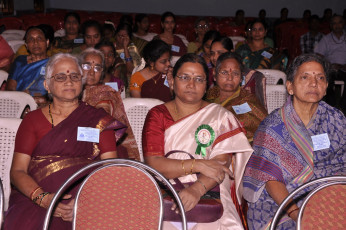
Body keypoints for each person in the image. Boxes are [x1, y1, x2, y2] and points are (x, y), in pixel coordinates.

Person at [4, 53, 127, 229]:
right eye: (60, 77)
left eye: (75, 76)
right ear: (47, 85)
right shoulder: (32, 120)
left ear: (82, 83)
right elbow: (17, 171)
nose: (69, 81)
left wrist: (84, 201)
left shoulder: (99, 120)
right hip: (36, 199)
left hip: (90, 198)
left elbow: (110, 169)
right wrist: (44, 199)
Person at [142, 53, 253, 229]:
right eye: (185, 77)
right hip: (166, 185)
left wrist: (197, 189)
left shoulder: (220, 116)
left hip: (210, 187)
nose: (191, 85)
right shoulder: (158, 115)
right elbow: (154, 163)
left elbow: (220, 165)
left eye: (199, 79)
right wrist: (198, 164)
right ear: (172, 80)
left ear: (206, 86)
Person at [243, 53, 346, 230]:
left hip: (327, 195)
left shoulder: (336, 120)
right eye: (305, 77)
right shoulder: (272, 127)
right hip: (280, 203)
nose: (314, 83)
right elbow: (271, 180)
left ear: (326, 87)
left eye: (320, 78)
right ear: (290, 87)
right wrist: (295, 212)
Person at [80, 48, 140, 161]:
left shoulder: (105, 94)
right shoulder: (71, 93)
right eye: (87, 66)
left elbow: (99, 131)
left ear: (102, 72)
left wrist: (72, 133)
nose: (92, 72)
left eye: (97, 68)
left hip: (105, 152)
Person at [206, 52, 268, 143]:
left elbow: (266, 129)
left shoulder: (249, 102)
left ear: (241, 78)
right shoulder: (208, 95)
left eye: (235, 73)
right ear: (215, 75)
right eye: (224, 72)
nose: (230, 78)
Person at [210, 36, 267, 108]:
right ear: (214, 75)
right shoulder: (208, 75)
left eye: (220, 53)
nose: (215, 57)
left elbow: (257, 107)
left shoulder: (252, 77)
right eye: (212, 53)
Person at [6, 26, 50, 106]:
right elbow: (10, 90)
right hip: (19, 103)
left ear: (47, 42)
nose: (35, 42)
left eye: (39, 38)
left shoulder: (54, 63)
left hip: (45, 104)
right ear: (26, 45)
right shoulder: (20, 61)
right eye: (31, 39)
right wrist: (26, 98)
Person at [314, 15, 346, 111]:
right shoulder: (326, 39)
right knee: (327, 81)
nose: (337, 25)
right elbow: (319, 55)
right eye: (334, 23)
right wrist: (329, 64)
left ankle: (343, 107)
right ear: (331, 26)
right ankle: (330, 107)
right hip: (331, 68)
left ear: (343, 23)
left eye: (339, 22)